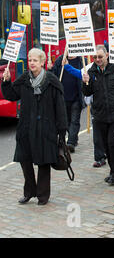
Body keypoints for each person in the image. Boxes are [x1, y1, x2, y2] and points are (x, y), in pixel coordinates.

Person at [1, 48, 67, 205]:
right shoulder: (24, 79)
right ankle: (29, 191)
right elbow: (11, 95)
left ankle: (43, 195)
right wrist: (6, 81)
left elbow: (60, 108)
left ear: (42, 62)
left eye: (35, 60)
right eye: (30, 60)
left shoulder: (51, 81)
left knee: (44, 162)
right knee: (25, 160)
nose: (31, 63)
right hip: (26, 128)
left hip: (46, 129)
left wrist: (62, 130)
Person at [82, 45, 114, 186]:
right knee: (106, 146)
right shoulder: (90, 71)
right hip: (100, 115)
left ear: (107, 55)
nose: (97, 59)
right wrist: (85, 82)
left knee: (113, 144)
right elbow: (87, 93)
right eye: (95, 57)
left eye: (100, 56)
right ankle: (113, 171)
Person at [48, 54, 85, 153]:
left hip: (77, 97)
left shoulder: (81, 61)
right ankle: (73, 138)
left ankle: (71, 143)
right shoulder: (60, 60)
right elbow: (52, 77)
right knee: (66, 121)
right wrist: (50, 69)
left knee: (74, 121)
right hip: (62, 98)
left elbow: (85, 76)